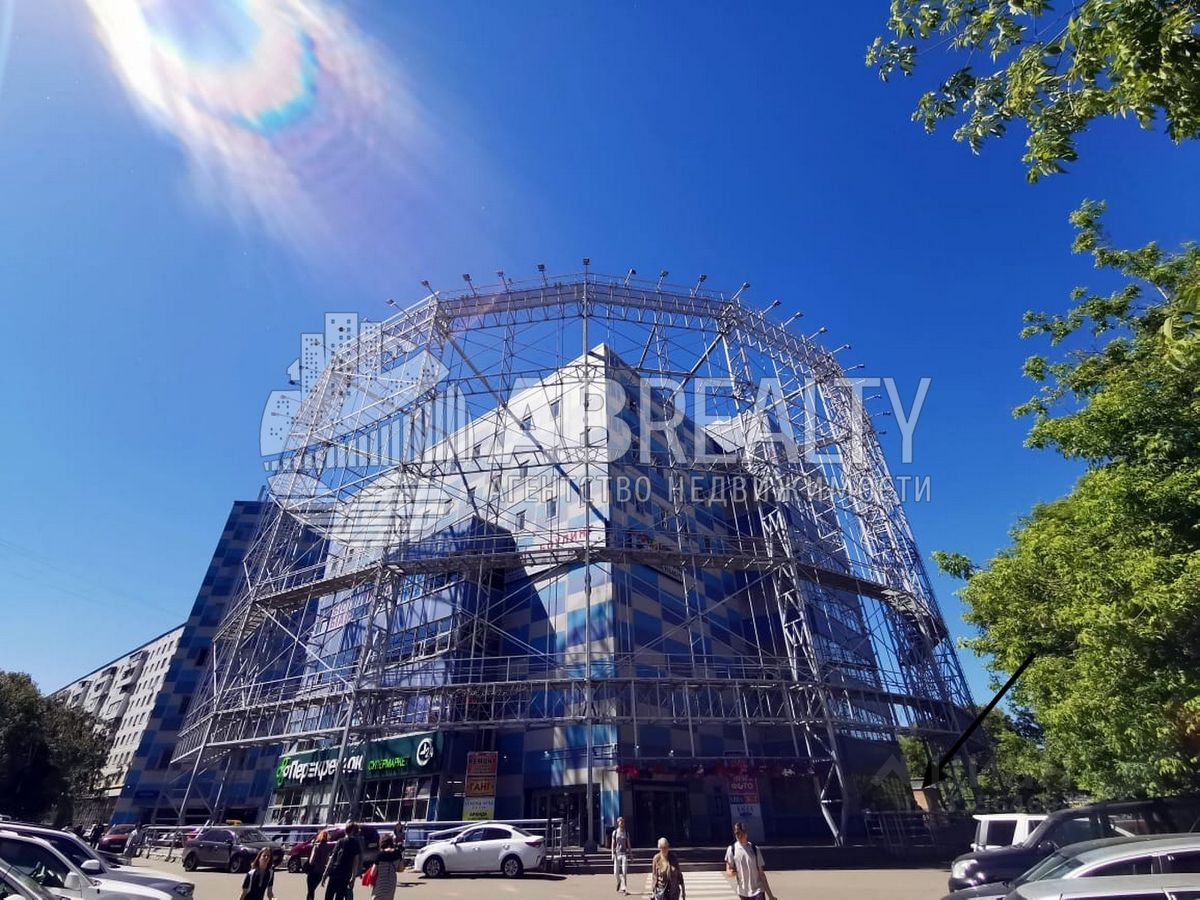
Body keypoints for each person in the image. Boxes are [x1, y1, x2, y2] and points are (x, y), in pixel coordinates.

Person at [724, 822, 774, 900]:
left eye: (740, 833)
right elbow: (728, 869)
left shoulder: (755, 849)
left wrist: (770, 896)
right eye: (736, 833)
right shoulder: (732, 849)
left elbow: (761, 874)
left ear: (746, 833)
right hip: (743, 892)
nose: (738, 836)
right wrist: (731, 873)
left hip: (758, 890)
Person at [322, 823, 362, 900]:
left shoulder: (340, 841)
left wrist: (325, 873)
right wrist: (353, 877)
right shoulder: (355, 844)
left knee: (329, 896)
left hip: (335, 871)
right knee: (339, 896)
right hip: (346, 873)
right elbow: (355, 862)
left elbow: (332, 857)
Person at [369, 835, 402, 900]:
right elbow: (401, 869)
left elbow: (373, 873)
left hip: (380, 882)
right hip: (391, 882)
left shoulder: (380, 855)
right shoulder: (398, 853)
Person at [307, 831, 333, 900]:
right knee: (313, 889)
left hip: (313, 871)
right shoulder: (327, 848)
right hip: (321, 871)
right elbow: (327, 861)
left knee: (310, 890)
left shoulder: (316, 847)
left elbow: (311, 861)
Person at [611, 816, 631, 894]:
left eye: (623, 822)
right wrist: (612, 853)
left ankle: (624, 887)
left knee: (624, 871)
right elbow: (613, 843)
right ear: (618, 823)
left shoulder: (626, 832)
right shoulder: (615, 832)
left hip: (624, 854)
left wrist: (631, 854)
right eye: (620, 822)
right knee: (616, 872)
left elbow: (628, 844)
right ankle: (618, 881)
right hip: (617, 853)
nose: (622, 823)